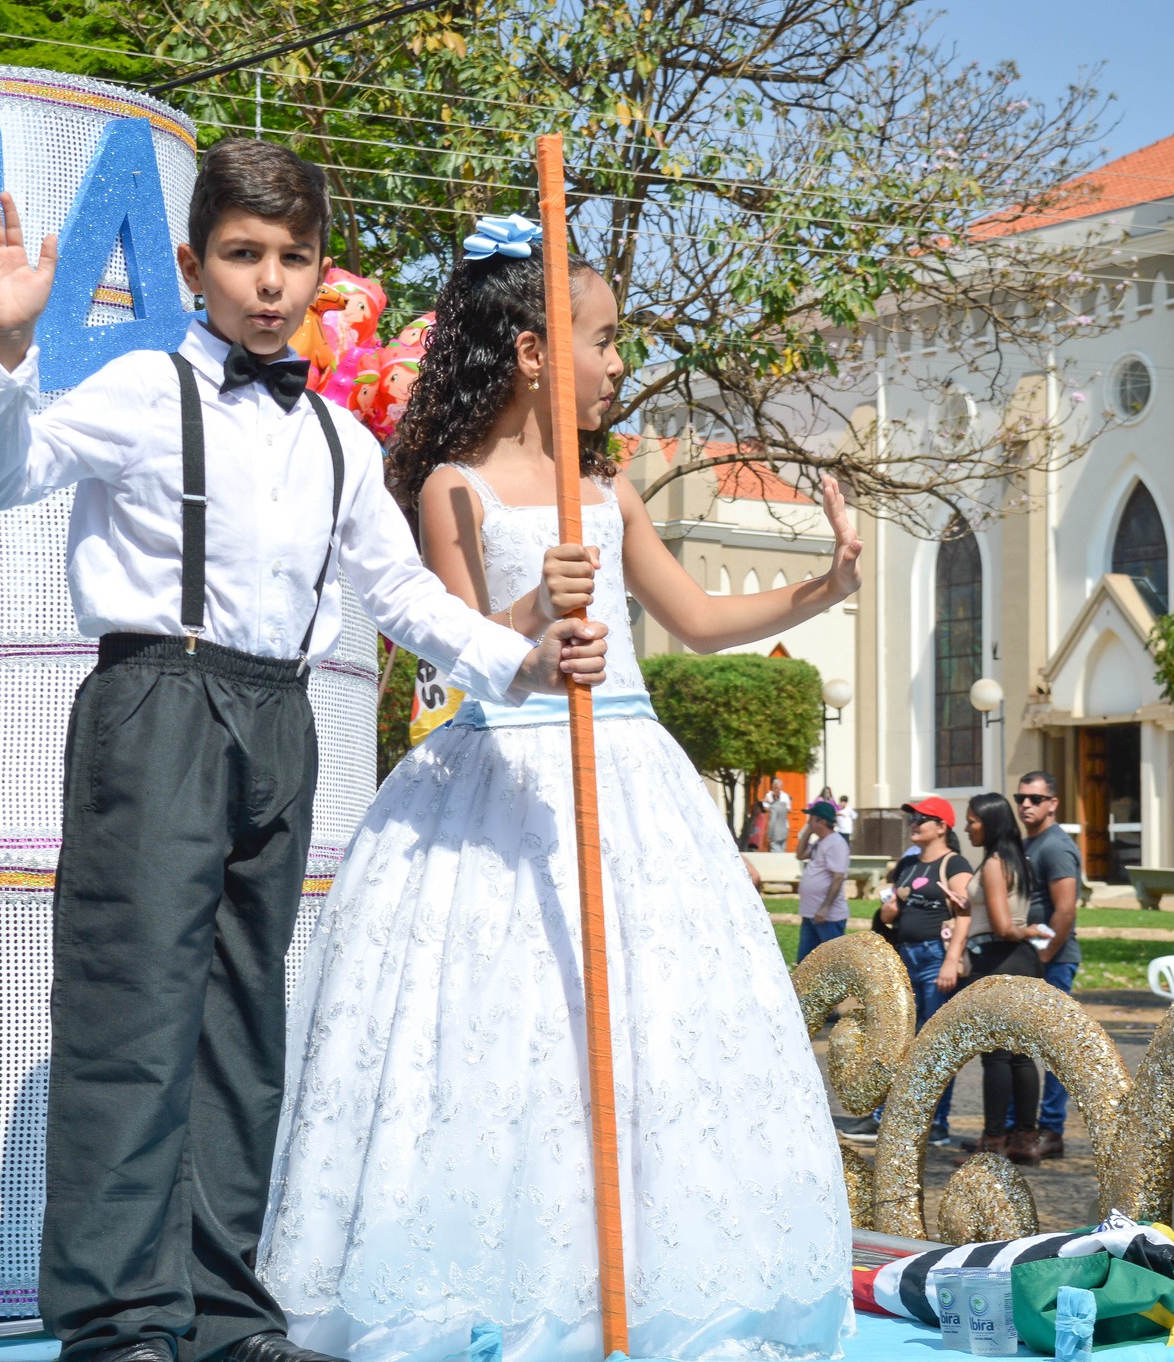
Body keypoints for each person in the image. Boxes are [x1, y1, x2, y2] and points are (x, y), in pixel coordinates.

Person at [0, 149, 609, 1362]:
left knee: (241, 1025)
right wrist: (2, 348)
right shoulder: (146, 389)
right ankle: (117, 1322)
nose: (269, 282)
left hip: (277, 718)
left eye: (293, 258)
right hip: (157, 697)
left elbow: (401, 592)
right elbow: (1, 474)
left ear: (318, 273)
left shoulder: (338, 442)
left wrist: (515, 661)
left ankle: (217, 1314)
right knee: (132, 1013)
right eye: (244, 256)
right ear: (195, 265)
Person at [259, 214, 859, 1362]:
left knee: (646, 1028)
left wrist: (824, 588)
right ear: (534, 350)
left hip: (631, 777)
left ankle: (652, 1279)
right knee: (501, 1033)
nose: (619, 361)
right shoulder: (451, 491)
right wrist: (532, 610)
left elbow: (691, 619)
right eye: (602, 338)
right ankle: (497, 1280)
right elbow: (450, 641)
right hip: (501, 771)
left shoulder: (608, 489)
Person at [872, 796, 969, 1146]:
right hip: (905, 958)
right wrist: (890, 911)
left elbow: (964, 915)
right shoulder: (908, 865)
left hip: (933, 960)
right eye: (912, 819)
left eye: (922, 819)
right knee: (899, 1041)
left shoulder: (954, 865)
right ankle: (891, 1118)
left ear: (942, 826)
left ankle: (937, 1122)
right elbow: (887, 915)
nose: (914, 824)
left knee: (935, 1044)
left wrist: (950, 960)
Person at [959, 792, 1049, 1165]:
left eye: (973, 821)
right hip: (1018, 962)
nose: (967, 827)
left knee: (997, 1057)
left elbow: (1001, 925)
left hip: (1000, 959)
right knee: (1021, 1057)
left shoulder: (995, 864)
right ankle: (1025, 1138)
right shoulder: (1017, 860)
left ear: (991, 823)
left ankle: (993, 1141)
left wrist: (1026, 931)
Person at [1012, 770, 1081, 1160]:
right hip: (1033, 958)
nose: (1025, 804)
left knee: (1055, 1049)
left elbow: (1065, 910)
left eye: (1035, 799)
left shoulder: (1055, 847)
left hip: (1052, 961)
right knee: (1020, 1048)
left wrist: (1042, 957)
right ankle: (1020, 1129)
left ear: (1052, 803)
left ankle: (1051, 1129)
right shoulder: (1031, 842)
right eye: (1021, 797)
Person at [796, 798, 851, 961]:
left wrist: (825, 908)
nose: (808, 822)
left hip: (827, 917)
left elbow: (838, 878)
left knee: (829, 964)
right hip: (810, 913)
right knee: (805, 964)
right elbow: (800, 854)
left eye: (811, 819)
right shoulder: (820, 842)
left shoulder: (836, 843)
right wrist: (807, 832)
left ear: (821, 821)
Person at [762, 776, 793, 852]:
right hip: (774, 828)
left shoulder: (785, 796)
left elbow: (789, 809)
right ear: (772, 787)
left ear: (781, 787)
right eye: (775, 788)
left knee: (782, 849)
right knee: (776, 850)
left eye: (779, 788)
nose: (777, 790)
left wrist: (773, 806)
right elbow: (765, 808)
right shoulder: (768, 795)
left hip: (784, 826)